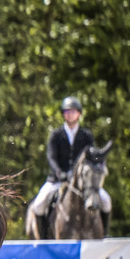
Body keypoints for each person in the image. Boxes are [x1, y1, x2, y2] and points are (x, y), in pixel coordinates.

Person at [29, 96, 112, 236]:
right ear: (63, 114)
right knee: (38, 204)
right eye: (67, 111)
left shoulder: (86, 136)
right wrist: (59, 172)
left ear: (79, 113)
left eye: (73, 111)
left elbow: (90, 159)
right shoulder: (56, 135)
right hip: (58, 179)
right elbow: (51, 157)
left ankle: (104, 234)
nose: (70, 114)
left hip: (83, 182)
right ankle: (43, 238)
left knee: (106, 200)